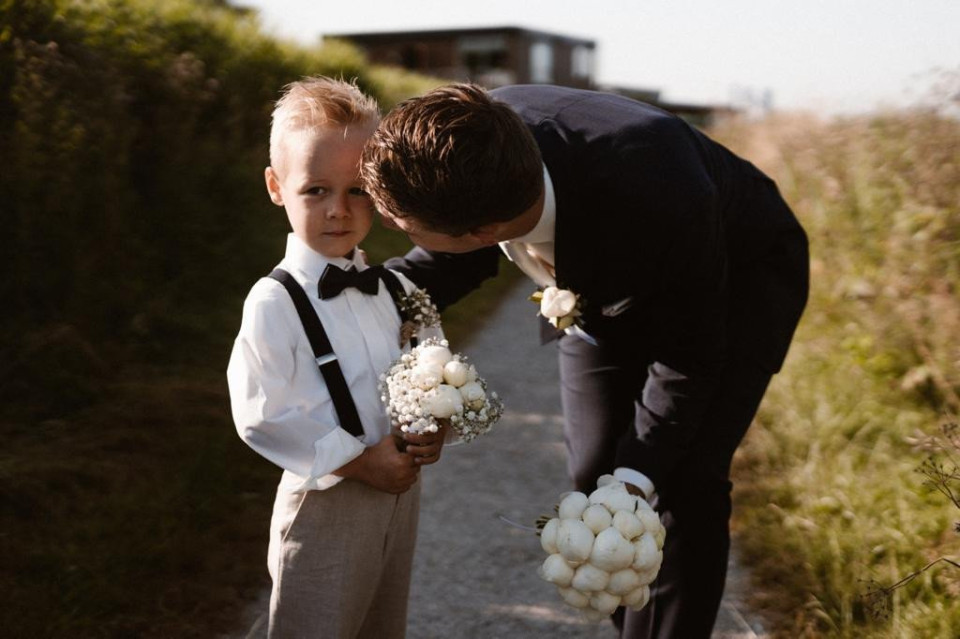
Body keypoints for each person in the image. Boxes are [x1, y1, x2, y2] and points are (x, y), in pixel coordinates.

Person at [360, 83, 809, 638]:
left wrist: (639, 475)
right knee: (596, 482)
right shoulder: (472, 139)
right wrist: (366, 300)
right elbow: (448, 256)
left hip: (739, 276)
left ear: (483, 232)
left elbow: (691, 356)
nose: (391, 232)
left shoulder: (663, 188)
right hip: (600, 280)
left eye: (403, 228)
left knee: (682, 481)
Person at [226, 76, 445, 639]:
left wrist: (432, 424)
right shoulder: (275, 300)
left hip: (399, 495)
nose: (338, 212)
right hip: (327, 504)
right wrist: (359, 461)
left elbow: (429, 368)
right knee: (311, 625)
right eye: (316, 190)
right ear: (277, 186)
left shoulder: (392, 290)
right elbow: (263, 412)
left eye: (358, 191)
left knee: (380, 625)